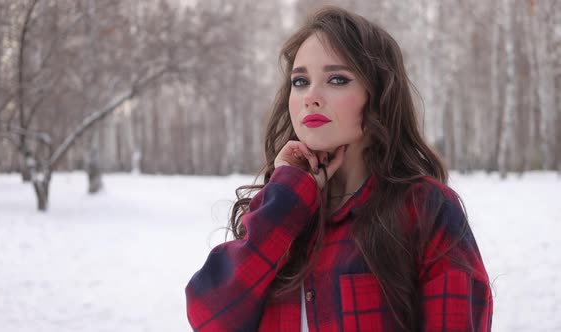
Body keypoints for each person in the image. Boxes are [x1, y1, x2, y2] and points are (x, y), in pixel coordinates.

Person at [185, 5, 493, 332]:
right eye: (300, 81)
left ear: (378, 95)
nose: (311, 97)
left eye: (336, 79)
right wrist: (286, 196)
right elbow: (209, 316)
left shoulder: (427, 209)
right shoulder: (281, 211)